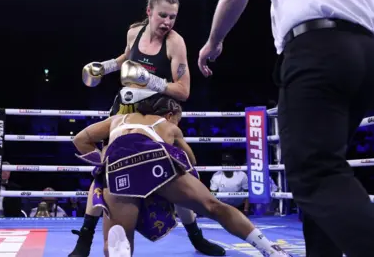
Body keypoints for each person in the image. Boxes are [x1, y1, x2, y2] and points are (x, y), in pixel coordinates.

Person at [197, 0, 374, 256]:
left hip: (318, 49)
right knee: (325, 173)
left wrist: (214, 41)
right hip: (368, 54)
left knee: (314, 173)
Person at [71, 0, 225, 256]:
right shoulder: (134, 33)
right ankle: (84, 241)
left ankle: (196, 237)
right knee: (105, 173)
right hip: (125, 109)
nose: (167, 22)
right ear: (149, 12)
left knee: (178, 175)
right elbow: (125, 59)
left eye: (173, 17)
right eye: (163, 15)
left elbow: (184, 91)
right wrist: (104, 67)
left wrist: (148, 80)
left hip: (160, 115)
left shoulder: (175, 43)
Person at [73, 95, 291, 257]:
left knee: (119, 236)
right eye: (178, 119)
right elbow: (190, 160)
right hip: (154, 161)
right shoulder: (166, 125)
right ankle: (270, 249)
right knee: (215, 207)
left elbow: (80, 140)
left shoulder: (118, 119)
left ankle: (118, 250)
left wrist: (103, 158)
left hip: (118, 165)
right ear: (170, 115)